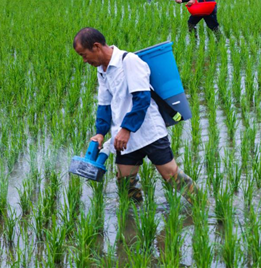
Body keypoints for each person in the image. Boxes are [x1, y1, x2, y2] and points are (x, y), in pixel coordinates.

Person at [73, 27, 197, 203]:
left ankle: (204, 207)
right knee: (126, 184)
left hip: (149, 132)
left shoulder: (129, 61)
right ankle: (134, 223)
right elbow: (104, 105)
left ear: (96, 46)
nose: (84, 60)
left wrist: (126, 129)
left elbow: (142, 99)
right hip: (123, 138)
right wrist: (100, 132)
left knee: (172, 176)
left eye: (84, 55)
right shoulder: (102, 70)